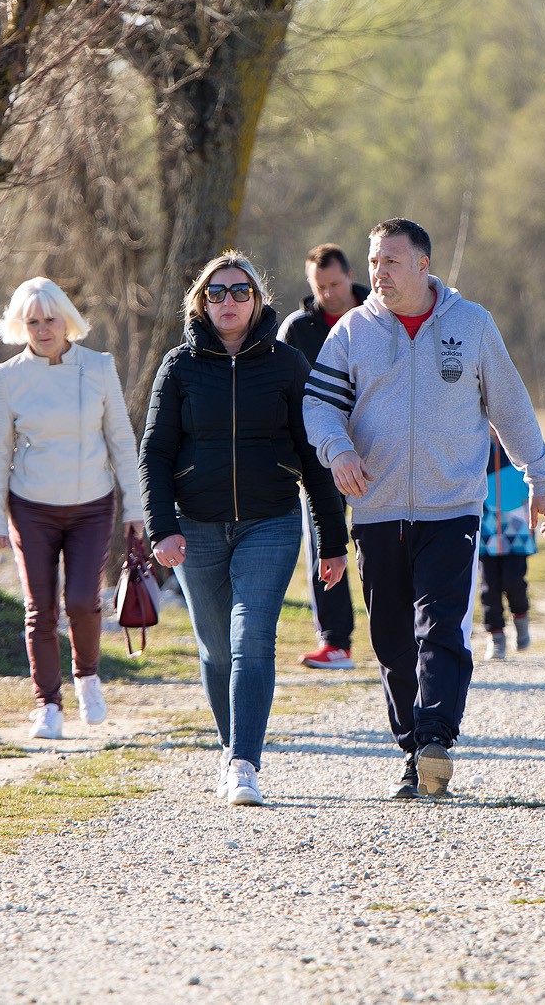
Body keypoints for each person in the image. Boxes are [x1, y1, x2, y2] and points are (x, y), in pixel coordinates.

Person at [304, 218, 545, 799]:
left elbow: (510, 406)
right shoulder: (351, 332)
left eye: (390, 261)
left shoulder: (471, 325)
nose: (378, 273)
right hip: (377, 510)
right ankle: (412, 748)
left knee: (441, 625)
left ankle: (436, 738)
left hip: (452, 508)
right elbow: (318, 407)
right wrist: (339, 450)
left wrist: (538, 476)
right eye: (373, 262)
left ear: (423, 264)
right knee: (392, 641)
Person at [143, 252, 347, 806]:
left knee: (251, 638)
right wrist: (161, 528)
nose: (228, 302)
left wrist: (332, 539)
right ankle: (232, 748)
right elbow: (156, 452)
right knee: (214, 648)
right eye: (216, 293)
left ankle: (243, 765)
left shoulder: (286, 364)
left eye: (240, 292)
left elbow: (313, 455)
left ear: (258, 301)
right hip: (196, 528)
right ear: (200, 301)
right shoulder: (179, 366)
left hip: (271, 523)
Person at [0, 278, 144, 741]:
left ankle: (87, 676)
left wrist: (135, 508)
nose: (42, 328)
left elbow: (120, 439)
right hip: (30, 508)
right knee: (40, 610)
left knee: (82, 601)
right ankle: (47, 705)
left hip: (92, 506)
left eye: (50, 318)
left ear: (67, 319)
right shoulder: (4, 378)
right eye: (32, 321)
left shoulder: (98, 367)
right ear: (20, 325)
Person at [277, 243, 369, 670]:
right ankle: (335, 643)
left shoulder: (379, 315)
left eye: (334, 284)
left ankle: (404, 628)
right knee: (324, 543)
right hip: (320, 454)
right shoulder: (297, 329)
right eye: (319, 287)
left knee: (381, 541)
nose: (328, 294)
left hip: (376, 447)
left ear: (349, 275)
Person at [479, 428, 536, 661]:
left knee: (514, 581)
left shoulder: (520, 437)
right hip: (484, 524)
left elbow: (537, 471)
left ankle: (521, 618)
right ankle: (496, 637)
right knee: (488, 587)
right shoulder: (474, 438)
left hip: (517, 523)